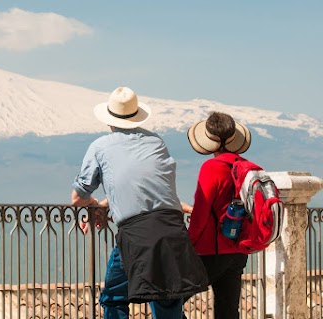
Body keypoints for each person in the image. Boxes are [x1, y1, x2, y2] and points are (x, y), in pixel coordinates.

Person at [71, 87, 208, 319]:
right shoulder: (155, 141)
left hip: (137, 235)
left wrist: (94, 205)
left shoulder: (100, 146)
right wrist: (106, 205)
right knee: (167, 298)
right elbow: (143, 186)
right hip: (171, 228)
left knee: (114, 297)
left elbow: (78, 198)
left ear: (109, 120)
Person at [182, 111, 252, 318]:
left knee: (169, 300)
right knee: (228, 310)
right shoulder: (244, 165)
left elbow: (201, 213)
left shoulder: (211, 168)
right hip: (238, 250)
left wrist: (187, 245)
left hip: (211, 252)